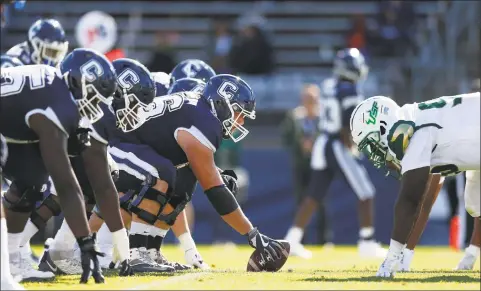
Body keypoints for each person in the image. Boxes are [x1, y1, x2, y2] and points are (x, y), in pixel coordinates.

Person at [106, 73, 288, 274]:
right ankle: (136, 253)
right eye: (239, 112)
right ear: (222, 104)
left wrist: (216, 173)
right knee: (161, 172)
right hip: (115, 147)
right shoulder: (204, 121)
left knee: (182, 183)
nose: (241, 121)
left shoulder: (200, 112)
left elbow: (194, 163)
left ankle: (151, 251)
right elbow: (214, 190)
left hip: (131, 148)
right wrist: (252, 234)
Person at [0, 48, 119, 284]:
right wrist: (85, 242)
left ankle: (11, 260)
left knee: (32, 178)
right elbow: (65, 184)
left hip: (8, 131)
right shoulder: (58, 104)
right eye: (93, 99)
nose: (93, 110)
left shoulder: (53, 88)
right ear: (78, 82)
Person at [349, 92, 480, 277]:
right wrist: (407, 253)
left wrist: (392, 259)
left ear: (384, 128)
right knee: (475, 202)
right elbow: (426, 194)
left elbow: (410, 199)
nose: (375, 154)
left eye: (373, 144)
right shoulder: (414, 117)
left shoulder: (416, 131)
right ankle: (471, 255)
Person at [284, 48, 386, 259]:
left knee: (313, 196)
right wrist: (351, 144)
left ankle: (292, 240)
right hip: (337, 143)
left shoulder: (330, 86)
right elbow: (347, 120)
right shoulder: (350, 91)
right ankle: (367, 242)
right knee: (366, 192)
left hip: (323, 142)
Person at [281, 84, 329, 249]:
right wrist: (300, 144)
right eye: (307, 98)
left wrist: (314, 144)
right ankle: (300, 240)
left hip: (319, 165)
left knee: (321, 202)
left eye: (313, 99)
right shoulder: (294, 117)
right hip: (301, 165)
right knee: (301, 202)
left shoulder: (324, 117)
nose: (310, 102)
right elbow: (285, 138)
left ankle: (324, 239)